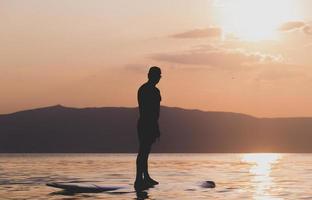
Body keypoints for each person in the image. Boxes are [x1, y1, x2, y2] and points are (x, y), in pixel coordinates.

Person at [134, 66, 162, 191]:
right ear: (151, 76)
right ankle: (139, 178)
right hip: (147, 123)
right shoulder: (148, 90)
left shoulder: (147, 89)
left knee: (145, 151)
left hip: (147, 123)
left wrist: (155, 125)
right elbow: (149, 111)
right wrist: (154, 125)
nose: (158, 78)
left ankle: (145, 177)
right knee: (143, 151)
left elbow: (155, 111)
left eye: (159, 76)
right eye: (157, 76)